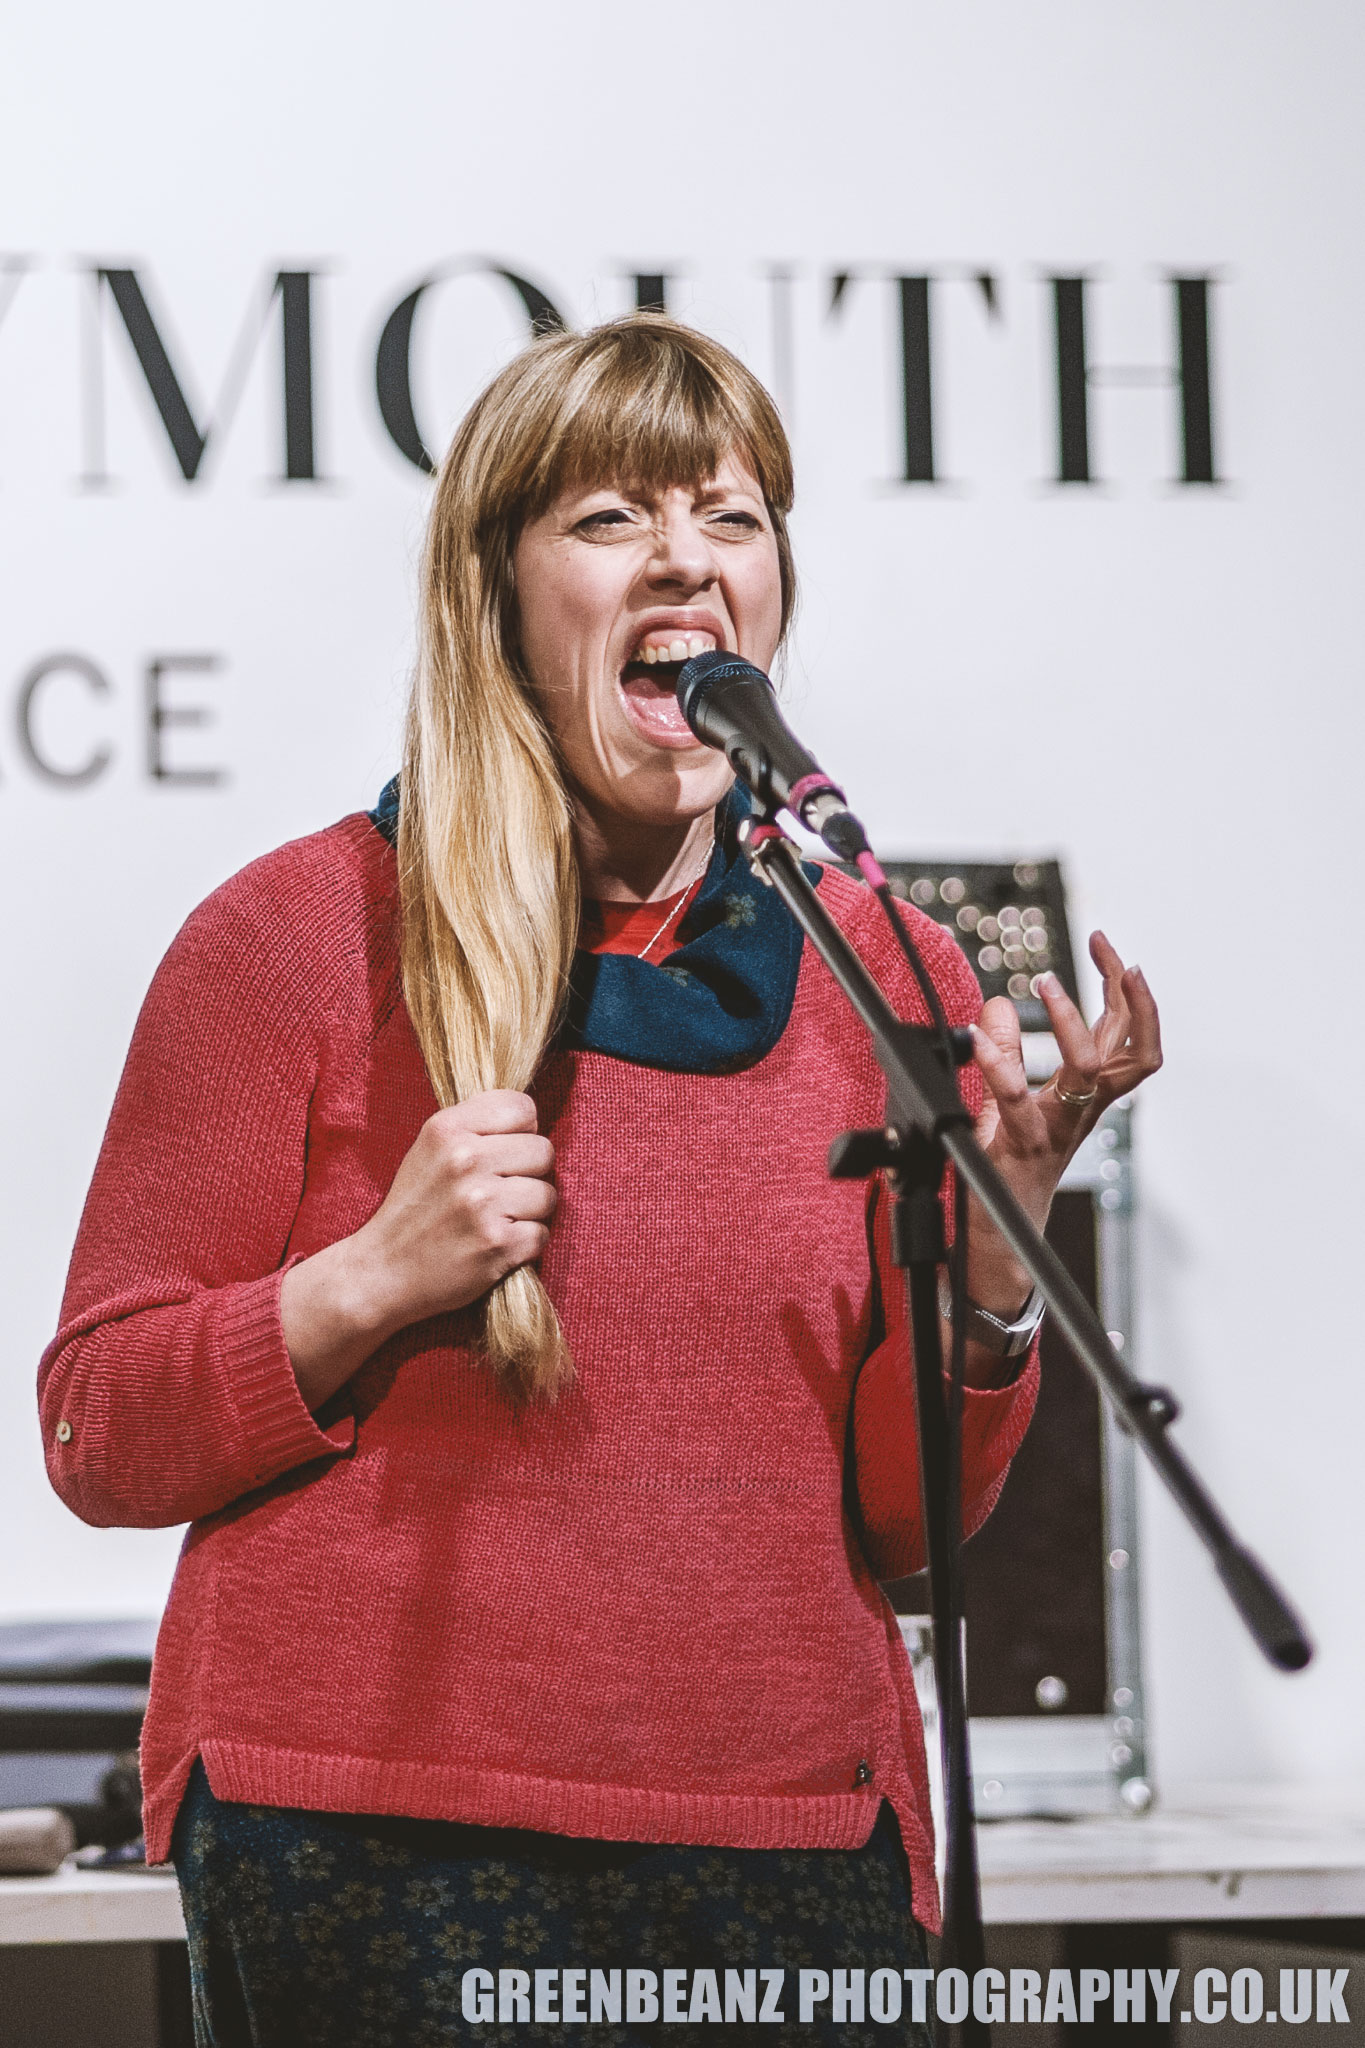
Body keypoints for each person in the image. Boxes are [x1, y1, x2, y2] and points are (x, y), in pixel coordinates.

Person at [39, 314, 1161, 2046]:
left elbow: (902, 1528)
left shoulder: (896, 977)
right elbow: (100, 1429)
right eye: (610, 519)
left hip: (791, 1847)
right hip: (371, 1844)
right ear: (495, 590)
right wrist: (369, 1278)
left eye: (731, 516)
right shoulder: (298, 937)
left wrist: (997, 1278)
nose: (687, 563)